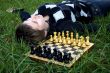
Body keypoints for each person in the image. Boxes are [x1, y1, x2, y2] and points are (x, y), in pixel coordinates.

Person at [15, 0, 110, 44]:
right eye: (35, 22)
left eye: (29, 20)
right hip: (92, 7)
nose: (33, 18)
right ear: (44, 32)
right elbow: (85, 28)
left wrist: (21, 12)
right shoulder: (61, 26)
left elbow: (25, 16)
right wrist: (106, 28)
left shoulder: (32, 20)